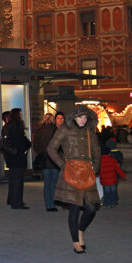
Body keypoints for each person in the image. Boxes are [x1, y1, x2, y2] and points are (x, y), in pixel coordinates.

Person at [47, 107, 101, 254]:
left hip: (86, 172)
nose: (83, 120)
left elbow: (96, 151)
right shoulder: (65, 129)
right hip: (71, 172)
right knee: (74, 208)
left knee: (91, 208)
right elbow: (51, 148)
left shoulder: (90, 131)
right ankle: (76, 242)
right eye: (80, 117)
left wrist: (95, 167)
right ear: (74, 118)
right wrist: (63, 165)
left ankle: (80, 230)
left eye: (85, 118)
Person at [2, 107, 30, 209]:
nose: (22, 115)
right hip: (17, 157)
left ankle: (13, 200)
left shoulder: (11, 126)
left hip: (13, 157)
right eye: (21, 113)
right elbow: (18, 141)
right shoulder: (15, 126)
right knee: (17, 181)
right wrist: (23, 149)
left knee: (14, 180)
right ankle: (17, 202)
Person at [33, 113, 60, 211]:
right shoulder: (56, 130)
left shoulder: (39, 131)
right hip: (54, 160)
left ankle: (48, 204)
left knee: (47, 183)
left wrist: (42, 152)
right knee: (54, 183)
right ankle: (53, 203)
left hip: (44, 160)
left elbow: (36, 146)